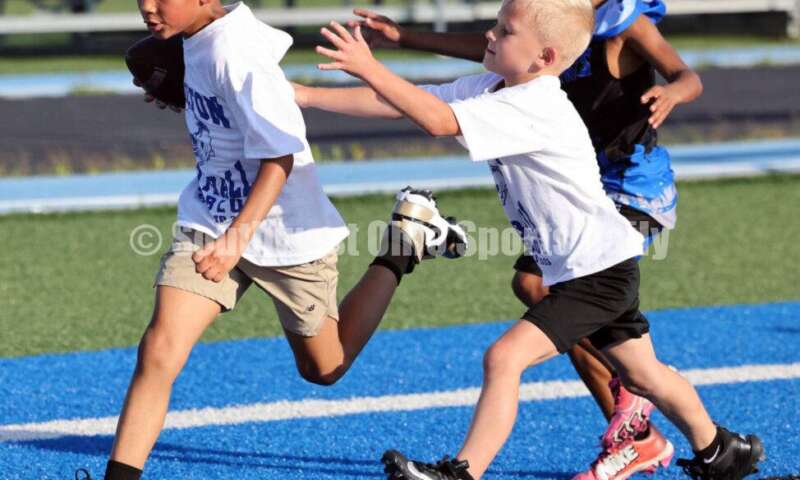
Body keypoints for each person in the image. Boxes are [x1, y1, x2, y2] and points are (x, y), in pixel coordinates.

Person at [292, 0, 763, 478]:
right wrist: (305, 96)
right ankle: (722, 451)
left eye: (505, 30)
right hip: (595, 265)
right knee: (643, 374)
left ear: (545, 57)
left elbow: (436, 120)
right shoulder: (493, 86)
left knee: (504, 357)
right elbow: (402, 103)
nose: (491, 36)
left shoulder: (534, 103)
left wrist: (369, 66)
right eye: (496, 25)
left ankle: (463, 472)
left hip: (595, 273)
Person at [98, 0, 466, 478]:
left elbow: (281, 157)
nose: (148, 5)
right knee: (160, 348)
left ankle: (403, 244)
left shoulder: (238, 53)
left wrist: (237, 239)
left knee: (324, 368)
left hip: (283, 230)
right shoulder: (189, 41)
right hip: (210, 219)